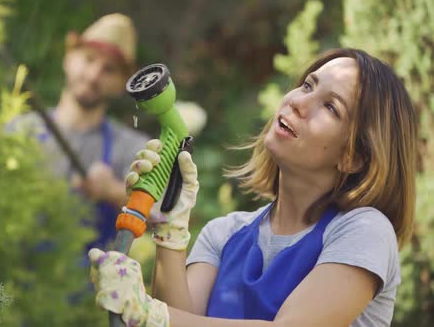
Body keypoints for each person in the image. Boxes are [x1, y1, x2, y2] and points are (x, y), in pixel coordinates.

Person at [88, 48, 417, 326]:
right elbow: (180, 317)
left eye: (331, 107)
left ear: (354, 157)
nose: (299, 103)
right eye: (307, 85)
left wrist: (149, 314)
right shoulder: (225, 234)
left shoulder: (364, 232)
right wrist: (170, 230)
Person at [8, 13, 150, 250]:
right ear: (68, 58)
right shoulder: (18, 131)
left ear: (121, 82)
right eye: (88, 59)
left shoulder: (134, 150)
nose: (94, 75)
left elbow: (161, 217)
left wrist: (113, 191)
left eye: (109, 69)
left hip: (85, 283)